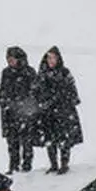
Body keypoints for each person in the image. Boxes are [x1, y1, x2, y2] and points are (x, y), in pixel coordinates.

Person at [35, 46, 83, 175]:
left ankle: (64, 164)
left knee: (64, 139)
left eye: (53, 58)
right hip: (47, 113)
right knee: (50, 139)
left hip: (63, 112)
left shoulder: (65, 73)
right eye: (49, 57)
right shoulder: (42, 74)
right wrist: (42, 103)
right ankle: (53, 164)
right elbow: (36, 91)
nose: (51, 60)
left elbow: (72, 92)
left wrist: (64, 101)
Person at [0, 46, 37, 173]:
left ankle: (26, 165)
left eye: (12, 58)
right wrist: (4, 103)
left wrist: (26, 106)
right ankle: (13, 166)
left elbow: (35, 92)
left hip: (25, 113)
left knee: (27, 141)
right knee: (12, 143)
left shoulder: (29, 72)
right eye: (8, 59)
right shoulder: (6, 73)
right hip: (10, 113)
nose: (10, 61)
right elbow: (2, 90)